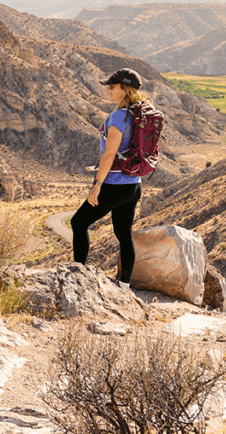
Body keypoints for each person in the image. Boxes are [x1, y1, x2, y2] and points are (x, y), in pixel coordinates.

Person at [71, 68, 147, 289]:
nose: (108, 90)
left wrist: (96, 186)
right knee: (124, 234)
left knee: (78, 222)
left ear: (125, 90)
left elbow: (109, 154)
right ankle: (124, 285)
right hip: (134, 184)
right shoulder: (138, 114)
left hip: (115, 185)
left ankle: (79, 277)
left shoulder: (117, 117)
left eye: (112, 87)